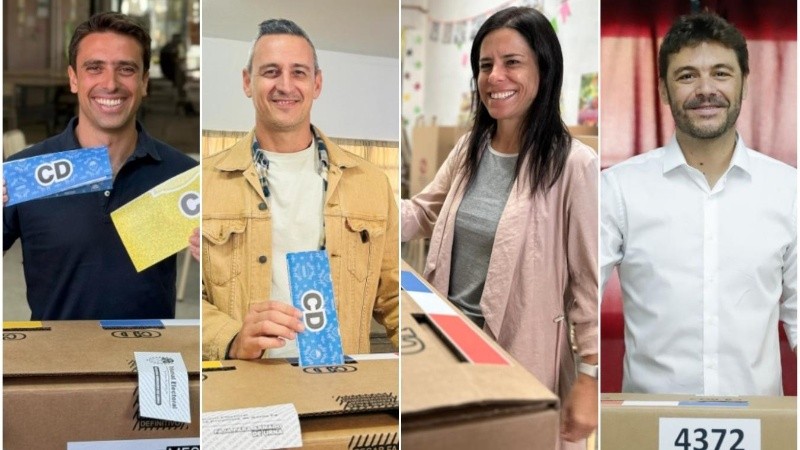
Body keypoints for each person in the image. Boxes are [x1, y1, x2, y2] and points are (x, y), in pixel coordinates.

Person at [402, 7, 598, 447]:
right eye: (485, 65)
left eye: (512, 62)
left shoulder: (574, 166)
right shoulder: (470, 147)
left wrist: (589, 377)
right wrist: (357, 206)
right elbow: (420, 213)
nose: (495, 77)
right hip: (446, 346)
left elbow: (590, 282)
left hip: (518, 354)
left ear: (544, 71)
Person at [601, 12, 796, 396]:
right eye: (687, 75)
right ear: (663, 89)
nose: (706, 89)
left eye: (721, 73)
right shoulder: (618, 189)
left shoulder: (789, 190)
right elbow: (580, 299)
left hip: (757, 428)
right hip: (648, 427)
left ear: (745, 84)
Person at [201, 19, 399, 361]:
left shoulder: (371, 183)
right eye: (271, 71)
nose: (285, 85)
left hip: (341, 380)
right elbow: (183, 294)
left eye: (299, 72)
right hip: (247, 384)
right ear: (248, 82)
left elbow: (395, 296)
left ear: (317, 83)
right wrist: (231, 337)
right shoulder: (206, 182)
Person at [3, 12, 199, 319]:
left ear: (144, 82)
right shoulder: (25, 173)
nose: (110, 84)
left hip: (150, 361)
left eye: (126, 69)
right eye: (95, 68)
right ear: (73, 79)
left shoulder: (184, 175)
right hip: (54, 361)